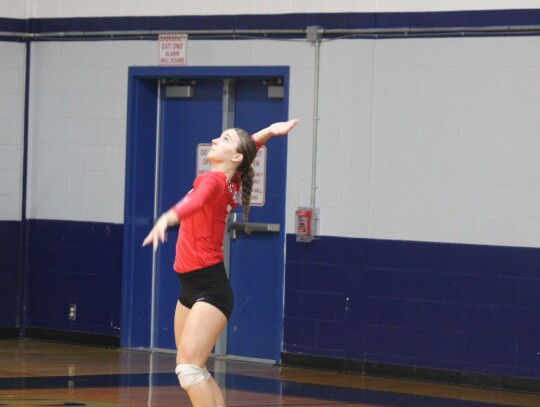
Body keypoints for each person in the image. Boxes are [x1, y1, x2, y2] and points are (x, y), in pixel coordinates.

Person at [142, 119, 299, 407]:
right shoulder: (230, 180)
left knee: (188, 369)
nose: (215, 140)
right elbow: (248, 149)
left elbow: (197, 201)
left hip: (209, 289)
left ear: (235, 157)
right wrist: (269, 132)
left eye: (224, 139)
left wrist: (168, 217)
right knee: (195, 368)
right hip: (191, 288)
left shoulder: (212, 181)